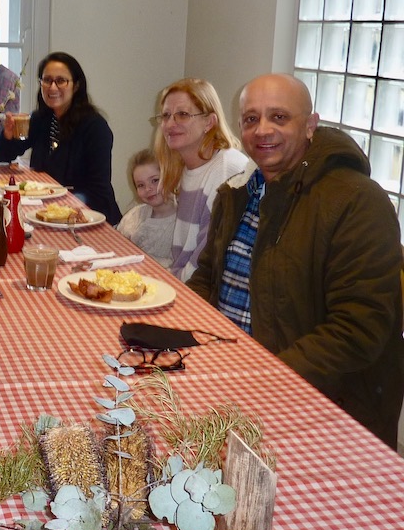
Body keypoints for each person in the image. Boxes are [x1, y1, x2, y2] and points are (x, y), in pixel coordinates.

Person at [187, 73, 404, 448]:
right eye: (251, 119)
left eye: (279, 117)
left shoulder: (357, 202)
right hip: (229, 376)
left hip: (322, 408)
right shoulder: (239, 191)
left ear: (310, 126)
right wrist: (180, 334)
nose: (263, 130)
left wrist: (262, 377)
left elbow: (358, 329)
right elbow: (208, 277)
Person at [0, 52, 121, 225]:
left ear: (76, 85)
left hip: (89, 216)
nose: (52, 87)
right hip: (48, 213)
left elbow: (98, 188)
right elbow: (2, 157)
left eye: (60, 81)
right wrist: (8, 137)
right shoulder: (42, 119)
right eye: (47, 80)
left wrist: (62, 210)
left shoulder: (95, 127)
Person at [153, 78, 248, 282]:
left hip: (206, 291)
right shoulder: (186, 167)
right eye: (166, 115)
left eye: (183, 115)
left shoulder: (226, 169)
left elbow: (207, 258)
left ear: (209, 122)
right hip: (185, 279)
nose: (170, 124)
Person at [116, 149, 176, 268]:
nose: (148, 189)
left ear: (169, 177)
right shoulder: (134, 215)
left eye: (155, 180)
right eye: (141, 185)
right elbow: (118, 246)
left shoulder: (181, 222)